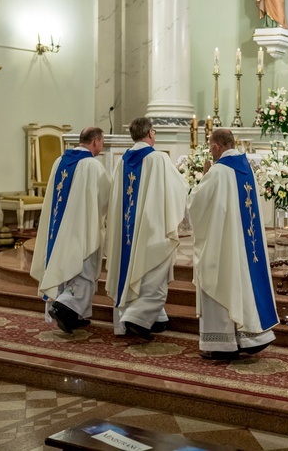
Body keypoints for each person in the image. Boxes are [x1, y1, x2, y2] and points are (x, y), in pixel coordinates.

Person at [188, 128, 278, 360]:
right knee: (243, 283)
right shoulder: (245, 168)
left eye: (210, 146)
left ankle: (222, 345)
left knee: (220, 279)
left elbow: (197, 205)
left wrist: (203, 178)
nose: (210, 150)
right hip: (245, 244)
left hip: (224, 243)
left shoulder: (218, 172)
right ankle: (249, 337)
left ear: (217, 146)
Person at [105, 118, 188, 340]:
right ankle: (137, 319)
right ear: (151, 133)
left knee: (135, 271)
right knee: (154, 277)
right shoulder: (158, 158)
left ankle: (155, 319)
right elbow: (177, 189)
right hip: (152, 228)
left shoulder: (123, 161)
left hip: (127, 229)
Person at [30, 127, 111, 334]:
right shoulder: (93, 165)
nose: (101, 147)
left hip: (58, 229)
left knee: (63, 266)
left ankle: (75, 315)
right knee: (83, 271)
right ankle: (65, 307)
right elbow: (105, 199)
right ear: (95, 142)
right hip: (82, 228)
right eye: (101, 143)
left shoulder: (60, 161)